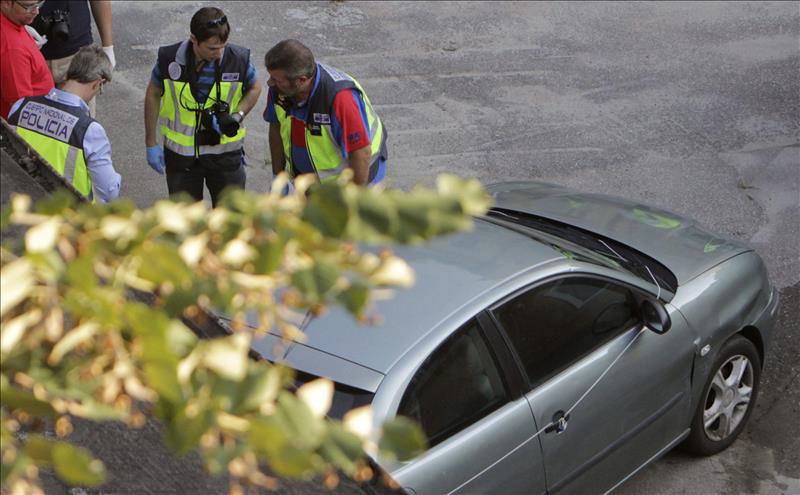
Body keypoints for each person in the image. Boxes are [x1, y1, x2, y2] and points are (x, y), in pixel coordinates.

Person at [143, 7, 261, 207]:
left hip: (225, 156)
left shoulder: (238, 60)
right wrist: (150, 143)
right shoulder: (169, 59)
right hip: (181, 158)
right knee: (186, 224)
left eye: (222, 46)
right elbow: (153, 94)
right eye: (212, 48)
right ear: (194, 39)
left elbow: (255, 88)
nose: (219, 53)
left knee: (230, 222)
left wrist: (237, 115)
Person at [263, 39, 387, 186]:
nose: (269, 82)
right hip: (309, 185)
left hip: (357, 178)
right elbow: (276, 128)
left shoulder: (340, 99)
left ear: (301, 80)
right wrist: (278, 178)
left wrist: (354, 200)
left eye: (276, 79)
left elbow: (361, 153)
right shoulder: (281, 90)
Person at [7, 45, 121, 203]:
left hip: (22, 202)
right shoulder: (89, 131)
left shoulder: (21, 106)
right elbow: (109, 191)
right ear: (97, 83)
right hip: (66, 214)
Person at [31, 0, 115, 117]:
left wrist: (108, 48)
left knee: (77, 126)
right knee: (31, 125)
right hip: (29, 58)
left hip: (78, 59)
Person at [0, 0, 54, 119]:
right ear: (6, 3)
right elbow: (21, 109)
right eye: (29, 7)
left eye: (38, 4)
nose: (36, 11)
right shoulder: (12, 49)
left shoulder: (13, 20)